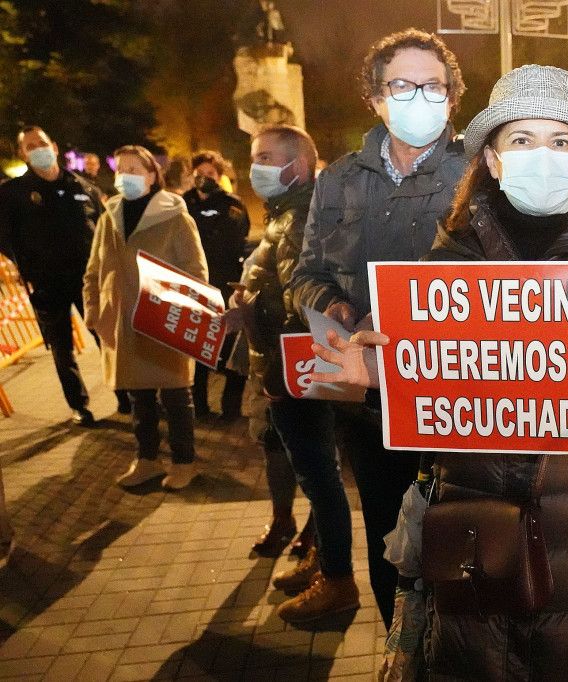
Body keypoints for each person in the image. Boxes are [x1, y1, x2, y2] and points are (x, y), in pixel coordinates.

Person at [309, 64, 568, 680]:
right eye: (521, 140)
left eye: (560, 141)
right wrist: (383, 381)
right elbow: (430, 410)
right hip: (472, 531)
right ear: (490, 159)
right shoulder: (444, 269)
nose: (541, 155)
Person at [288, 28, 468, 627]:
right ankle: (399, 648)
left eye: (432, 85)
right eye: (402, 84)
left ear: (451, 97)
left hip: (461, 407)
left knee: (464, 548)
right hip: (371, 406)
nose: (419, 96)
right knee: (388, 543)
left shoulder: (480, 175)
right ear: (375, 97)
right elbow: (306, 272)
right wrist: (332, 309)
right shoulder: (337, 180)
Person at [230, 124, 356, 622]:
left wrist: (278, 369)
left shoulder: (301, 215)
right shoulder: (286, 213)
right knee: (319, 477)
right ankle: (323, 562)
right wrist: (247, 306)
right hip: (287, 367)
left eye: (265, 156)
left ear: (297, 166)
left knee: (321, 479)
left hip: (296, 370)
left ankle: (337, 580)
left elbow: (300, 303)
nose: (255, 167)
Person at [83, 145, 207, 490]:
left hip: (164, 316)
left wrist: (186, 310)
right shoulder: (110, 215)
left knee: (175, 394)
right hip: (122, 319)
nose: (127, 175)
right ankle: (147, 459)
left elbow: (195, 270)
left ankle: (184, 461)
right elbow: (94, 268)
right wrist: (93, 309)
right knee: (138, 396)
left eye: (135, 169)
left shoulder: (174, 215)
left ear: (153, 175)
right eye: (121, 169)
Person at [0, 126, 104, 426]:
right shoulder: (12, 194)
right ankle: (79, 406)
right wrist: (25, 265)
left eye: (42, 143)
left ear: (55, 147)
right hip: (46, 283)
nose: (38, 149)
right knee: (62, 349)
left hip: (88, 279)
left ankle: (124, 394)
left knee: (105, 337)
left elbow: (101, 227)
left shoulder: (82, 186)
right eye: (30, 146)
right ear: (23, 153)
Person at [184, 150, 250, 421]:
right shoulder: (181, 204)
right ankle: (198, 407)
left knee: (232, 349)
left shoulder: (232, 204)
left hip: (225, 283)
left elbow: (241, 237)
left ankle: (230, 408)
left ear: (219, 177)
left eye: (210, 174)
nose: (204, 179)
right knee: (198, 348)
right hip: (194, 285)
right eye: (199, 174)